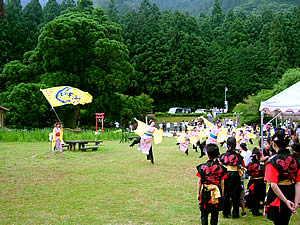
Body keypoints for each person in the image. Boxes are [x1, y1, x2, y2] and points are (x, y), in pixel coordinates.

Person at [264, 128, 300, 225]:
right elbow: (298, 182)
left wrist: (286, 201)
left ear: (274, 144)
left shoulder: (272, 161)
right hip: (290, 191)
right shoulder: (295, 160)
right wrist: (296, 201)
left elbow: (273, 185)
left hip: (278, 194)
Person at [196, 144, 227, 225]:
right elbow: (222, 183)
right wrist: (222, 195)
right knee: (214, 214)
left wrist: (198, 193)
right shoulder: (221, 168)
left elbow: (199, 182)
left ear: (208, 155)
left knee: (204, 214)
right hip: (217, 194)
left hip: (206, 193)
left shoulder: (203, 167)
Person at [219, 137, 244, 218]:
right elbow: (243, 164)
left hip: (226, 174)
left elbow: (220, 163)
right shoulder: (238, 156)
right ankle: (235, 213)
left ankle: (226, 213)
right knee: (236, 194)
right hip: (235, 174)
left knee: (226, 194)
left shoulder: (224, 155)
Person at [246, 147, 265, 216]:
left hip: (252, 181)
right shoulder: (261, 166)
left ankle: (252, 207)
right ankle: (255, 210)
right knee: (258, 196)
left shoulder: (250, 165)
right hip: (259, 182)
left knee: (252, 195)